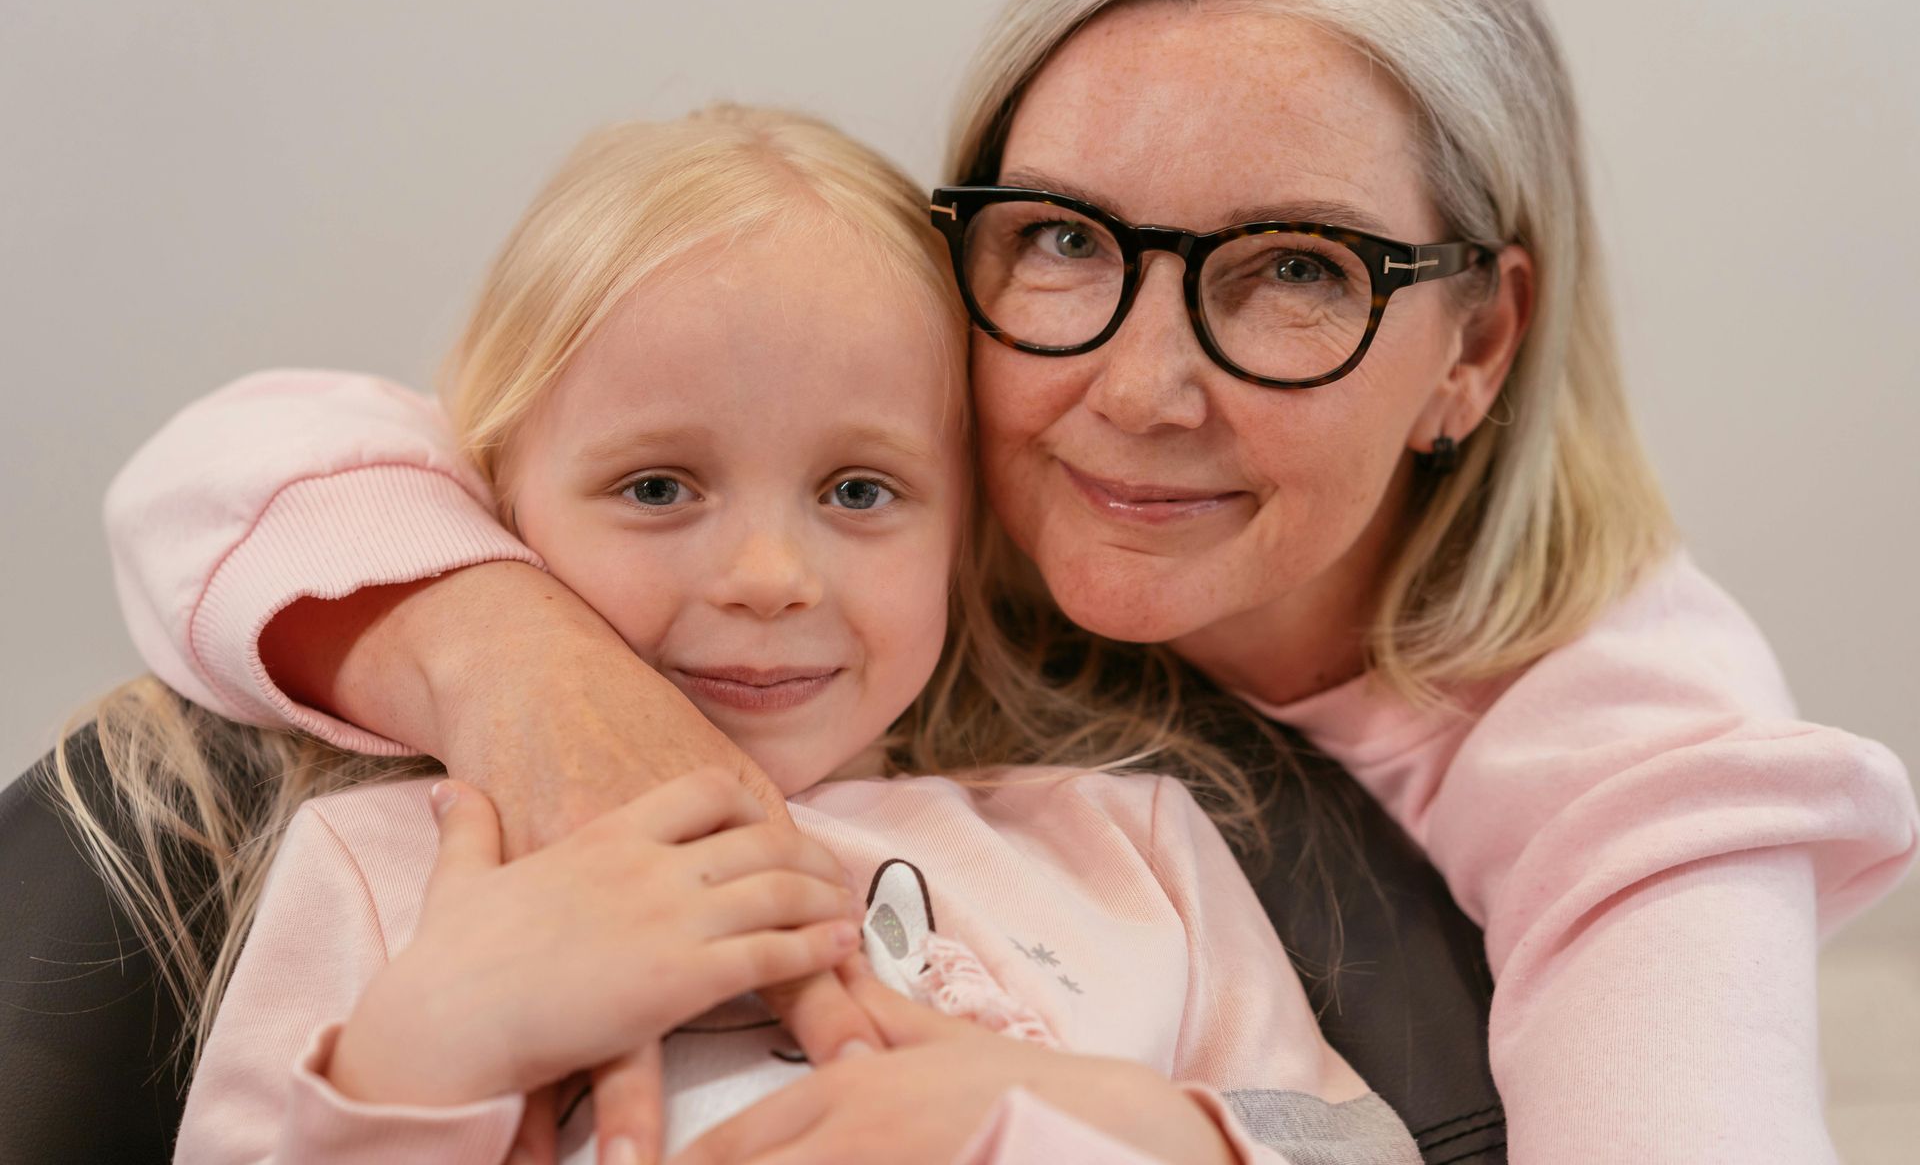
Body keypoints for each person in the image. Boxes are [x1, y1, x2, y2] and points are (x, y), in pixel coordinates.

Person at [97, 0, 1917, 1161]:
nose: (1137, 387)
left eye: (1296, 270)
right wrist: (524, 672)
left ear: (1477, 343)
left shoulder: (1619, 757)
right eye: (1061, 240)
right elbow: (230, 463)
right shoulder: (881, 464)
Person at [156, 105, 1416, 1164]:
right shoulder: (385, 874)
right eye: (658, 486)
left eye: (860, 491)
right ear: (495, 498)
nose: (769, 577)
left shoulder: (1126, 851)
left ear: (964, 531)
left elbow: (1361, 1145)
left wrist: (1134, 1122)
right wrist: (420, 1057)